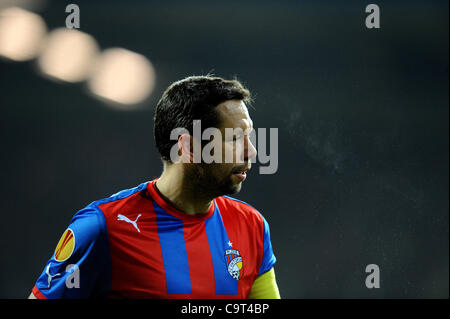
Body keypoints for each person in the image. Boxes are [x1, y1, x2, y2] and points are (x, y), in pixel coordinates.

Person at [29, 75, 280, 298]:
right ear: (189, 147)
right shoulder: (103, 227)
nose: (252, 151)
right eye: (235, 138)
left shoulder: (252, 226)